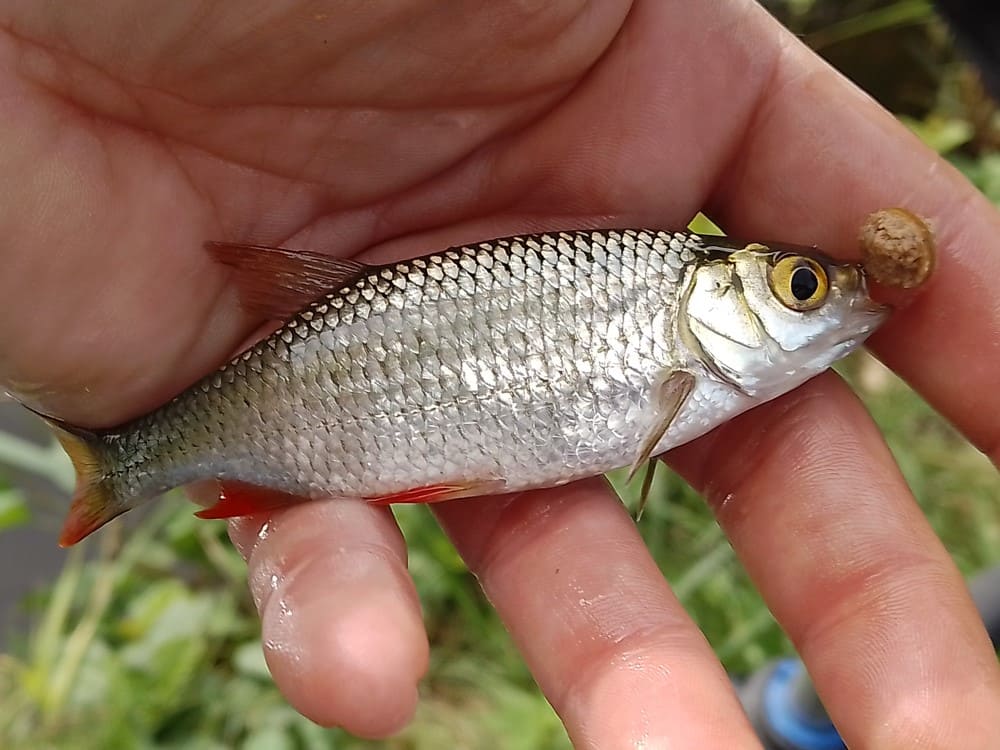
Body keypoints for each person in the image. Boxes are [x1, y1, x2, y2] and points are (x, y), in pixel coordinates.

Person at [1, 2, 998, 746]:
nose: (828, 305)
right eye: (797, 287)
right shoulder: (660, 310)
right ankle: (123, 461)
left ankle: (127, 461)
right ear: (713, 296)